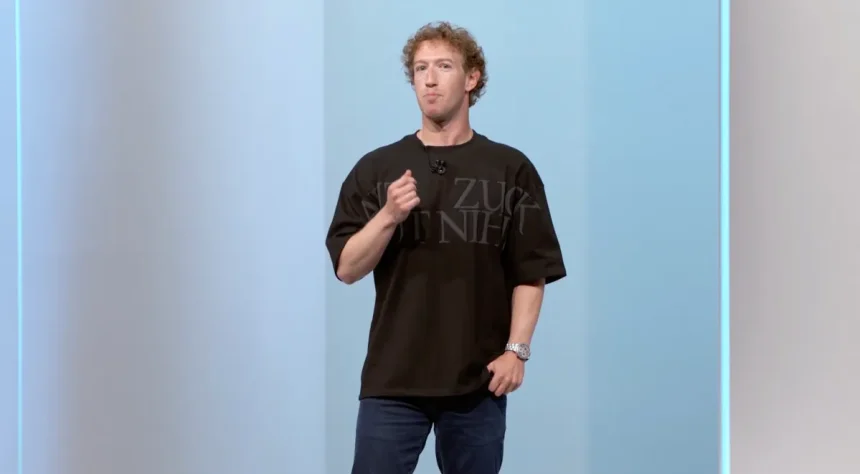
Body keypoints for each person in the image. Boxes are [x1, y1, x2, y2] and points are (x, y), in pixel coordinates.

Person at [325, 21, 566, 474]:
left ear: (472, 78)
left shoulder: (510, 169)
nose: (429, 80)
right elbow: (347, 268)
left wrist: (516, 351)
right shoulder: (377, 168)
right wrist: (388, 215)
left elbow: (531, 270)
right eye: (420, 69)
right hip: (393, 380)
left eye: (443, 66)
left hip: (478, 382)